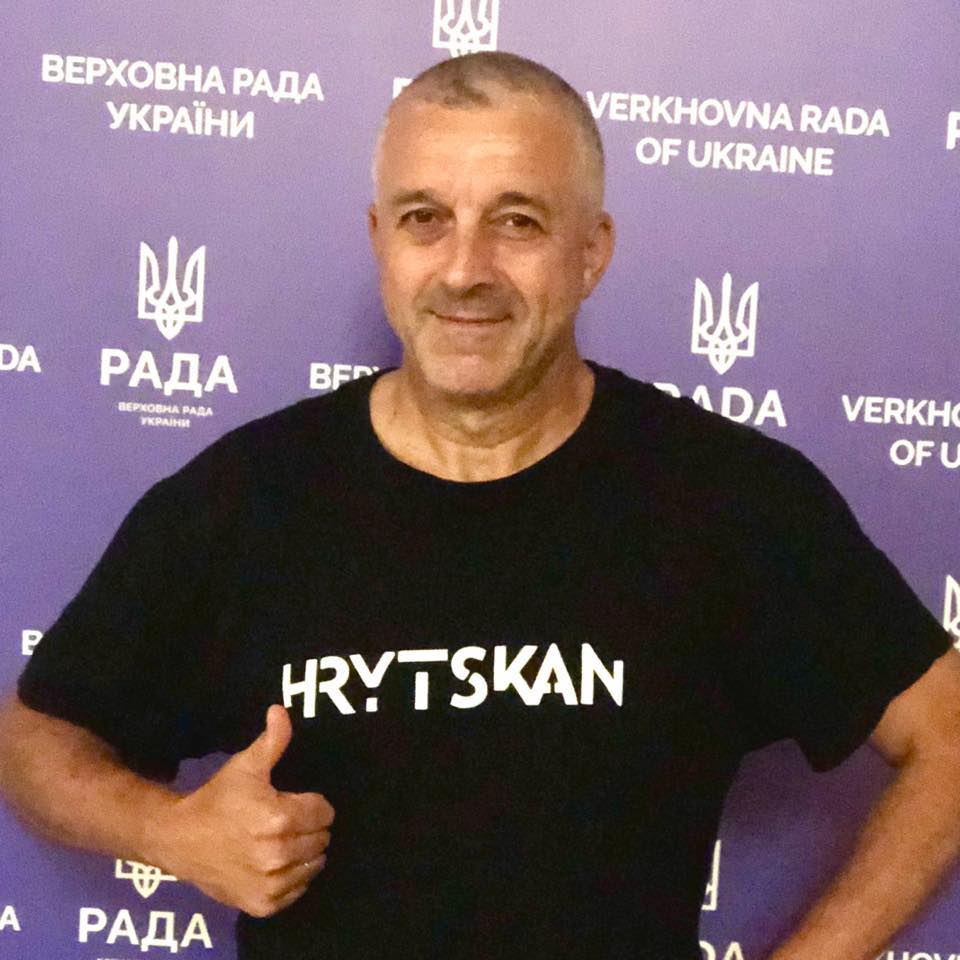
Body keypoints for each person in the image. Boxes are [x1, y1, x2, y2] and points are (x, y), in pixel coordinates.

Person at [1, 51, 959, 960]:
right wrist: (167, 831)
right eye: (425, 218)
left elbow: (947, 739)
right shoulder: (245, 501)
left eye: (519, 222)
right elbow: (32, 741)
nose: (465, 269)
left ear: (592, 252)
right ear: (380, 240)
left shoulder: (728, 500)